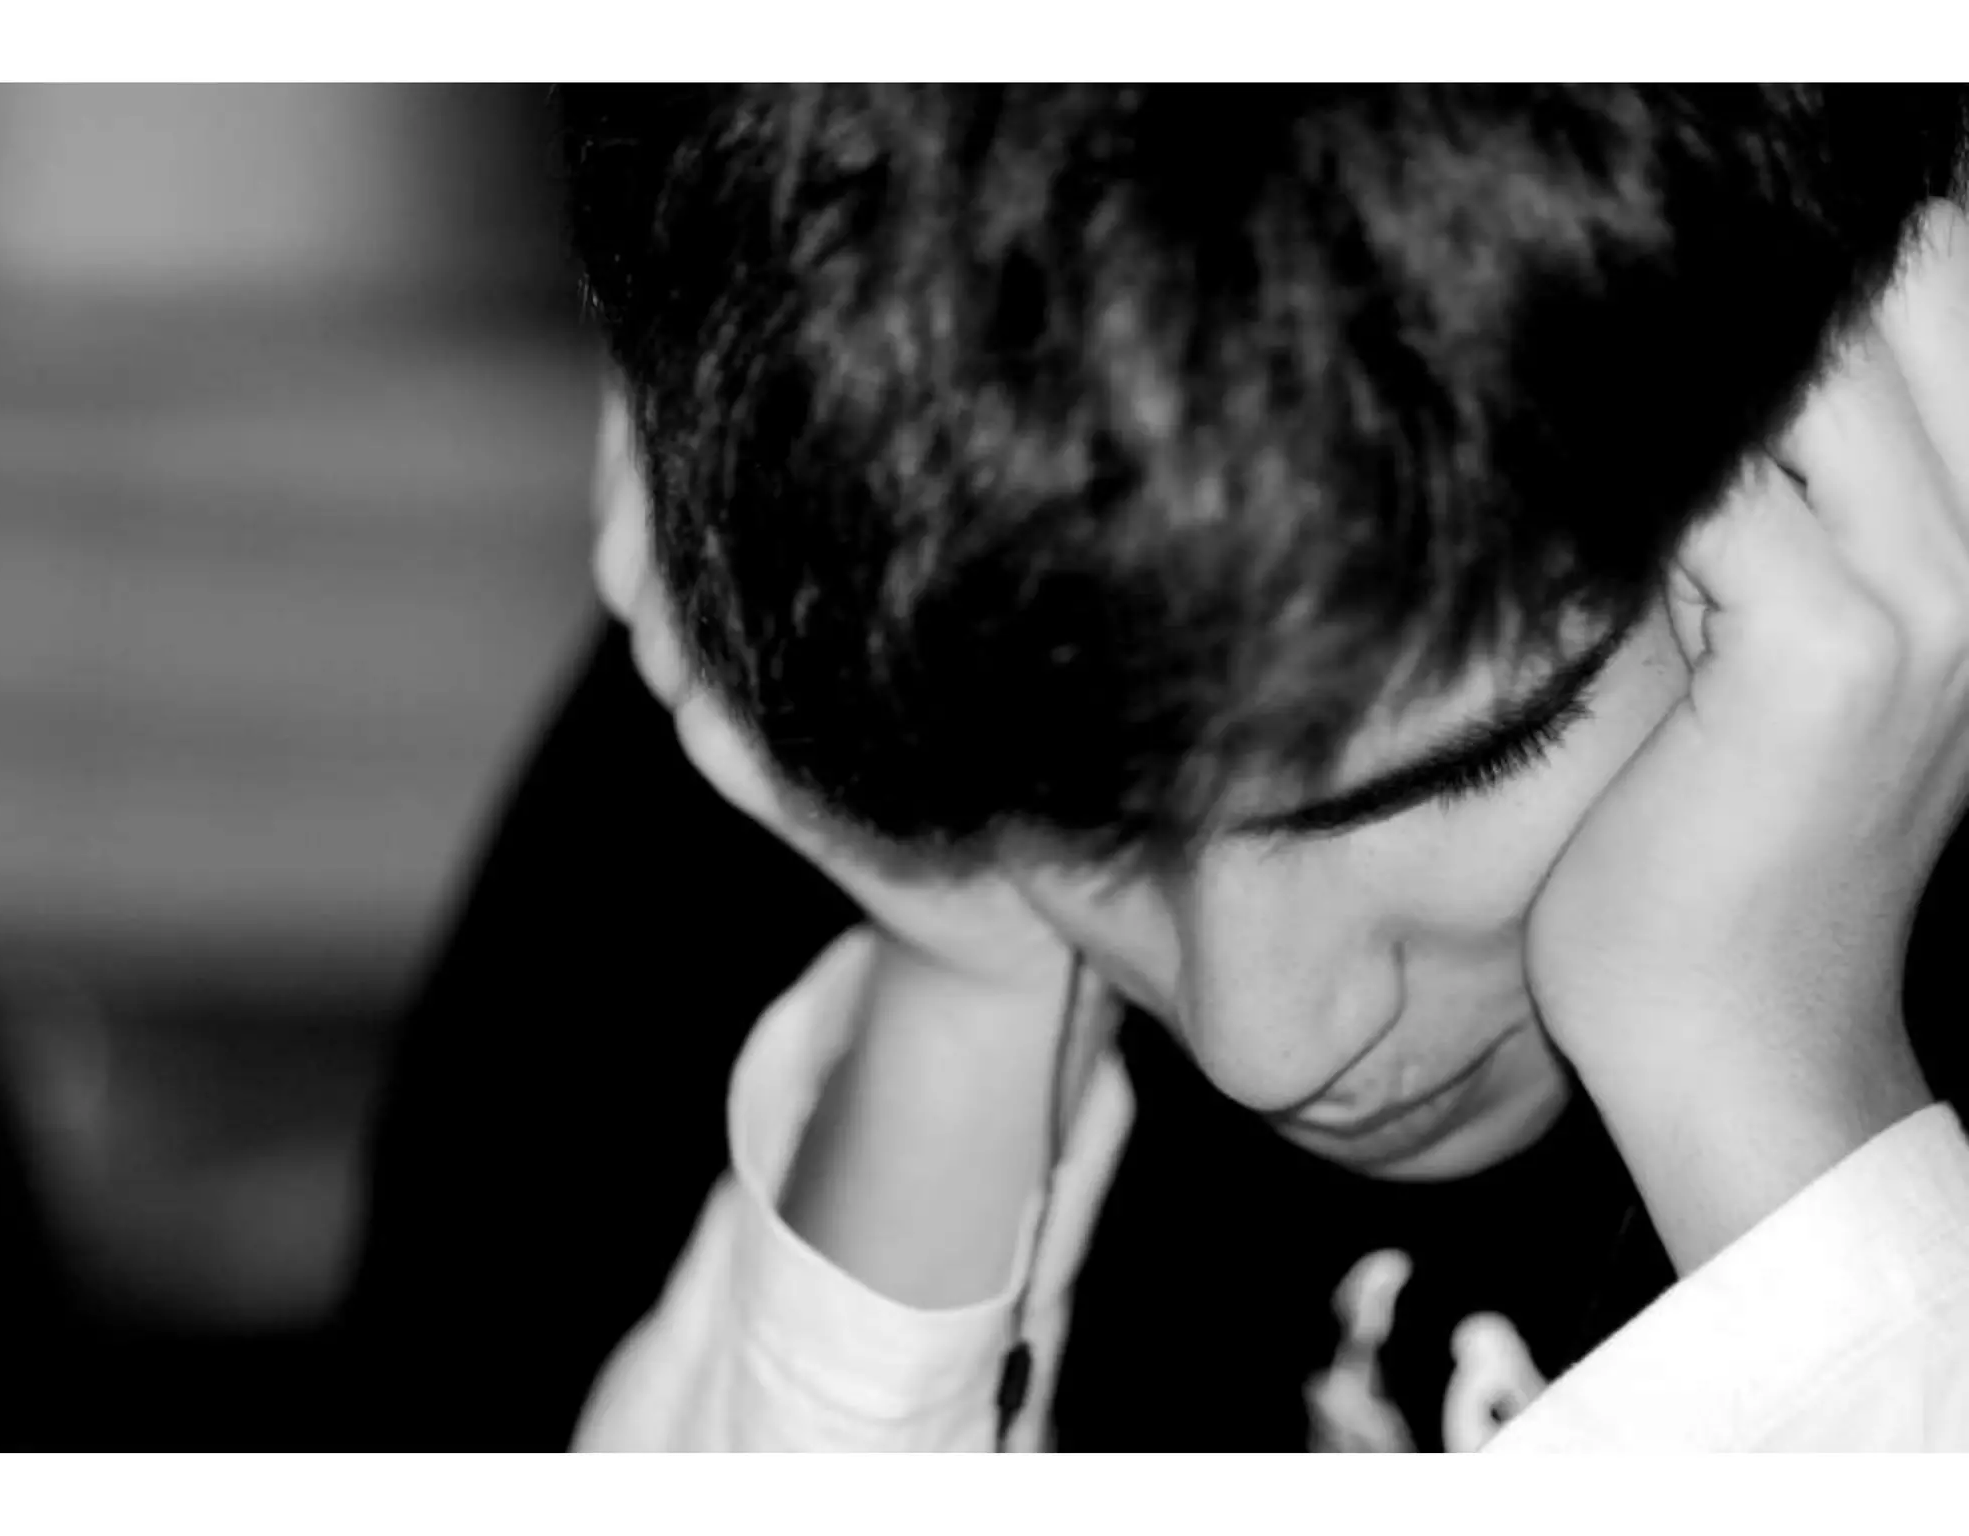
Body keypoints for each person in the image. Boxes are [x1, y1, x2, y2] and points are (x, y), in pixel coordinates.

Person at [351, 85, 1969, 1451]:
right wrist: (959, 1004)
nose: (1264, 1043)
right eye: (1076, 814)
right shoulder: (839, 674)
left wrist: (1775, 1120)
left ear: (1876, 401)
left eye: (1465, 760)